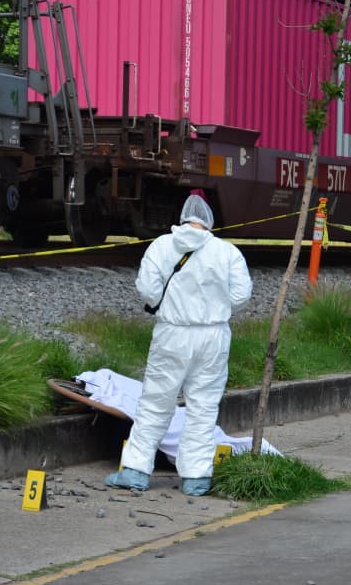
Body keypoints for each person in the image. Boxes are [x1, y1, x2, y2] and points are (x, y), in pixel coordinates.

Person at [104, 193, 252, 496]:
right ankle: (196, 477)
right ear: (209, 221)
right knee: (203, 407)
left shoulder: (160, 246)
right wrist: (215, 307)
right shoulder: (227, 252)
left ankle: (135, 471)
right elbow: (240, 295)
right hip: (213, 336)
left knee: (156, 403)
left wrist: (162, 302)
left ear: (182, 218)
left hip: (172, 332)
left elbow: (147, 289)